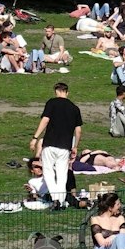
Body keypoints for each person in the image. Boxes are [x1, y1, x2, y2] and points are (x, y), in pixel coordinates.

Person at [30, 82, 83, 210]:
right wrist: (75, 146)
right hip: (65, 146)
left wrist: (35, 137)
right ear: (67, 92)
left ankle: (55, 199)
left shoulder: (52, 103)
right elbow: (78, 130)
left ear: (56, 92)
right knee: (62, 174)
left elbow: (45, 120)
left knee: (48, 172)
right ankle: (61, 199)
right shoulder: (74, 108)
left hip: (50, 144)